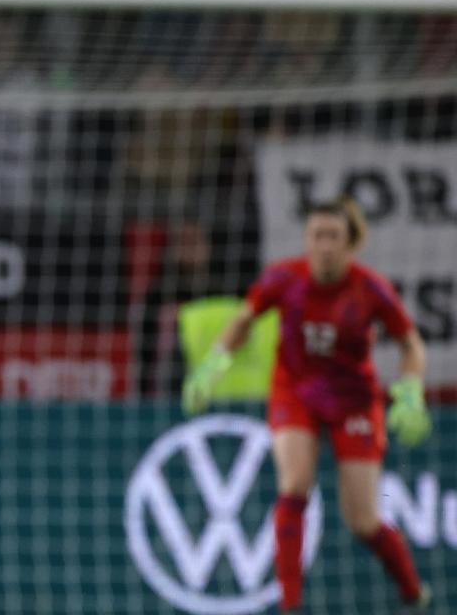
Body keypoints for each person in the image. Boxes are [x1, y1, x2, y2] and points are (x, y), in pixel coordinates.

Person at [182, 197, 432, 613]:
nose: (325, 245)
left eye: (334, 236)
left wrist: (409, 392)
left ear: (350, 243)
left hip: (353, 401)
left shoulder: (369, 289)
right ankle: (290, 605)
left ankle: (412, 592)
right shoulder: (284, 278)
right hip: (296, 392)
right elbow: (243, 319)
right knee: (295, 483)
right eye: (317, 235)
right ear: (306, 239)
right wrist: (212, 366)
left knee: (363, 521)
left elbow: (411, 344)